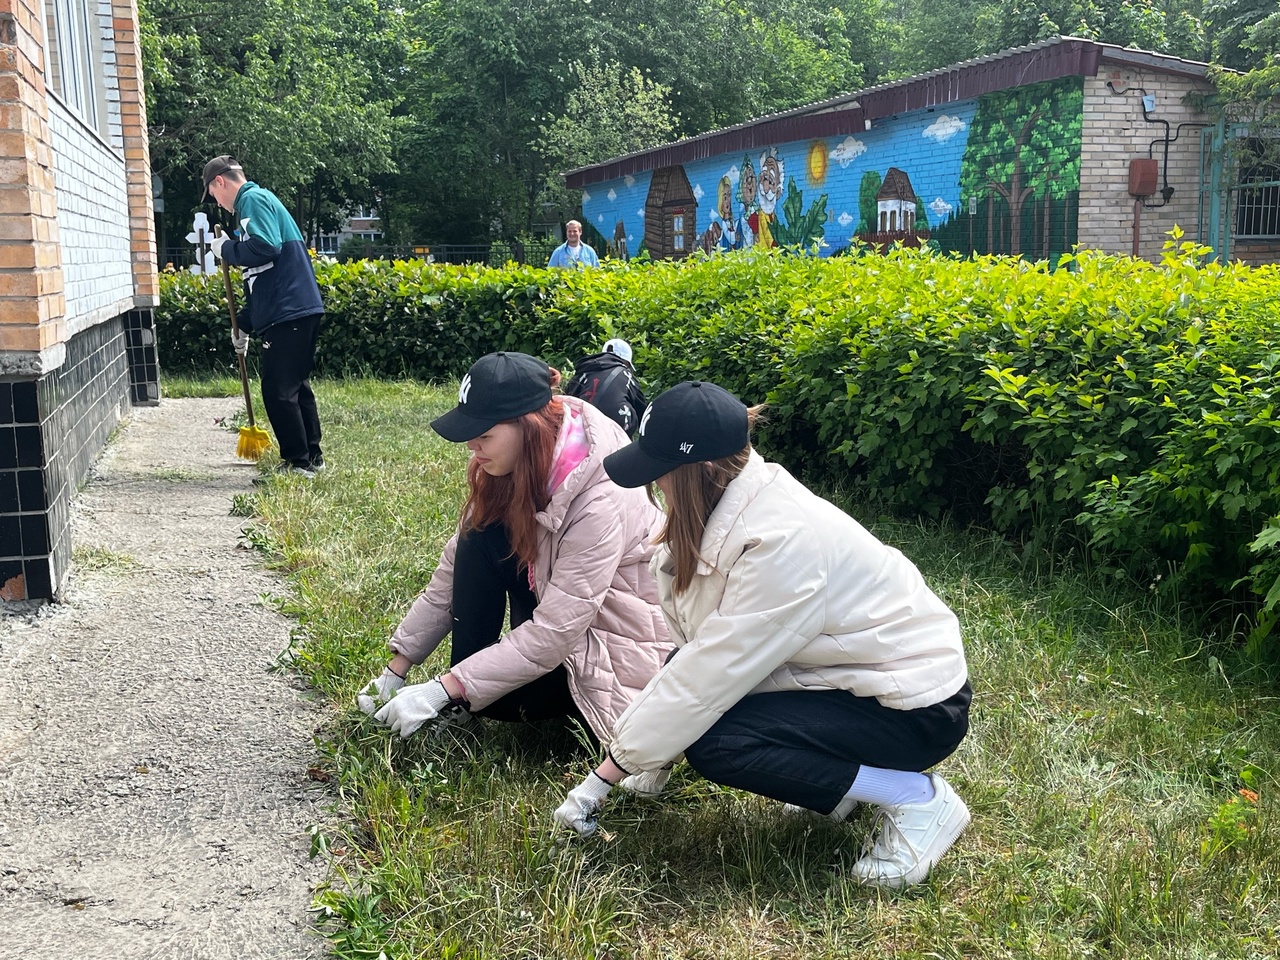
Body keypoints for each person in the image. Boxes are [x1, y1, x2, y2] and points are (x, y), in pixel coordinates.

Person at [553, 380, 973, 890]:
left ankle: (915, 798)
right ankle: (841, 787)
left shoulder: (783, 540)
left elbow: (708, 678)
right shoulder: (732, 507)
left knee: (720, 744)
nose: (653, 485)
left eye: (660, 472)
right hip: (851, 681)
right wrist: (646, 756)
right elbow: (697, 650)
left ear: (700, 472)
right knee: (687, 689)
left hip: (915, 709)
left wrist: (602, 780)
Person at [357, 351, 670, 757]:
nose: (472, 446)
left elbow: (557, 633)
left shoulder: (600, 499)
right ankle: (462, 701)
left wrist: (446, 688)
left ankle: (465, 698)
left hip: (608, 647)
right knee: (477, 537)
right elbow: (454, 571)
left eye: (484, 435)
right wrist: (395, 671)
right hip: (558, 607)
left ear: (529, 428)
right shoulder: (518, 463)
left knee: (497, 700)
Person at [204, 155, 326, 477]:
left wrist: (226, 250)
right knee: (295, 386)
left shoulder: (252, 200)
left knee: (278, 390)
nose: (218, 203)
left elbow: (266, 248)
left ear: (220, 182)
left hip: (288, 311)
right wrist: (243, 325)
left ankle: (299, 463)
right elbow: (262, 277)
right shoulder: (253, 208)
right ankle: (312, 458)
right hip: (292, 309)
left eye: (213, 195)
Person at [563, 338, 648, 437]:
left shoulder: (586, 369)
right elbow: (643, 412)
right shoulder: (627, 376)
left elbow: (567, 397)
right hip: (616, 425)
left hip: (583, 422)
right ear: (626, 362)